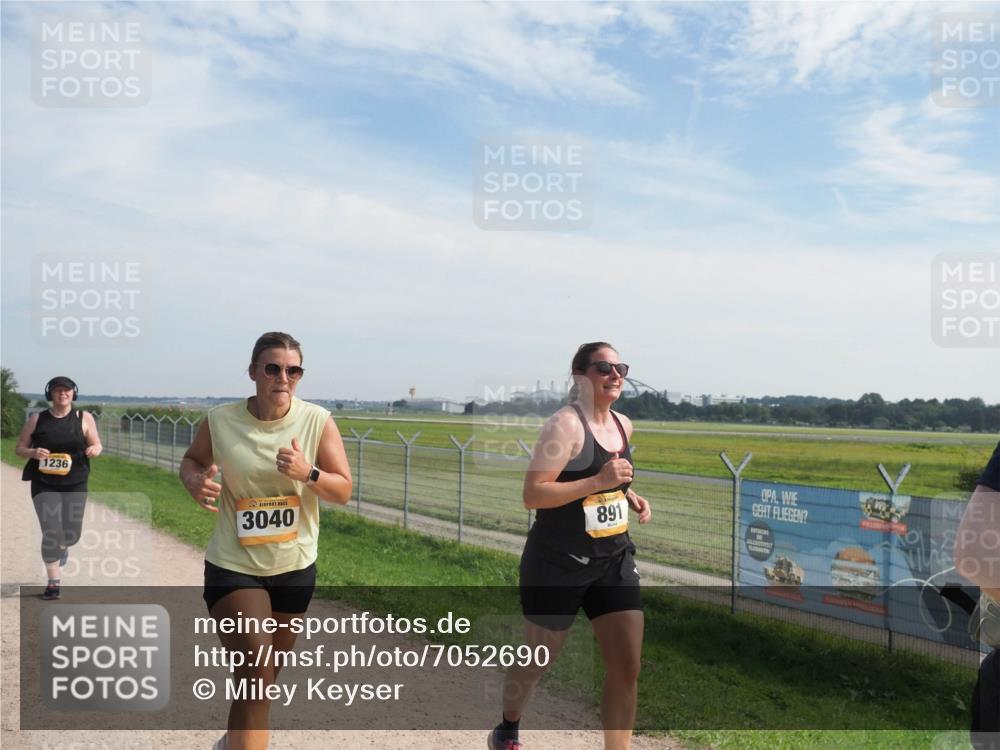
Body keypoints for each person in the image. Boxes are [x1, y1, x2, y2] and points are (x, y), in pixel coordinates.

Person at [179, 332, 352, 750]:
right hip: (233, 565)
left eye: (294, 370)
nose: (283, 377)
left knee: (262, 680)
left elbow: (343, 490)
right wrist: (194, 482)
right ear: (253, 371)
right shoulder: (220, 420)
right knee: (256, 671)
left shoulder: (317, 421)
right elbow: (193, 461)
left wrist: (308, 473)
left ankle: (233, 742)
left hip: (294, 567)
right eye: (273, 368)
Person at [489, 342, 652, 750]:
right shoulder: (564, 425)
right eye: (604, 368)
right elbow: (534, 494)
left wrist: (628, 495)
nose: (616, 375)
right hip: (557, 563)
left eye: (621, 368)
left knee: (627, 666)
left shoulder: (623, 425)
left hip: (613, 558)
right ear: (581, 376)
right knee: (538, 659)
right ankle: (508, 727)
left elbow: (612, 477)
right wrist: (599, 483)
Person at [16, 376, 102, 600]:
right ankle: (53, 582)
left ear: (74, 393)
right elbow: (20, 447)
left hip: (76, 482)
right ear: (50, 394)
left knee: (71, 533)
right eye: (57, 391)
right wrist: (33, 453)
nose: (62, 394)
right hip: (44, 484)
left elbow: (96, 443)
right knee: (52, 531)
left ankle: (64, 546)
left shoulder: (84, 418)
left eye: (67, 390)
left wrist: (94, 449)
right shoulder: (37, 419)